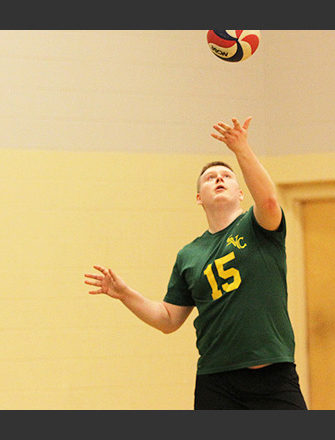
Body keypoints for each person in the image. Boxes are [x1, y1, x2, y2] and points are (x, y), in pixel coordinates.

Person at [85, 117, 307, 410]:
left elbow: (267, 200)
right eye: (210, 177)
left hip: (273, 375)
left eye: (226, 176)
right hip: (217, 381)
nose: (218, 178)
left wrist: (240, 149)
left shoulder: (258, 227)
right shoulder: (189, 255)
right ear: (199, 198)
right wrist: (126, 294)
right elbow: (168, 319)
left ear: (241, 193)